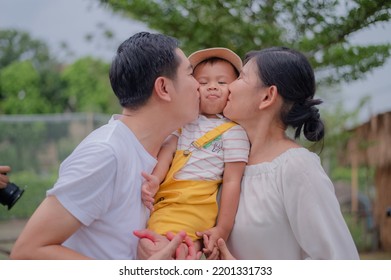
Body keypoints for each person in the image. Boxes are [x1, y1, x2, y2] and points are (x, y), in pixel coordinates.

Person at [10, 31, 200, 260]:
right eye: (190, 74)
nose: (198, 85)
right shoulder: (105, 154)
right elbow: (27, 253)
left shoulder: (164, 152)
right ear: (164, 88)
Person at [208, 47, 359, 259]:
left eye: (241, 77)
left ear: (267, 96)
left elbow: (340, 261)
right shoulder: (225, 160)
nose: (229, 86)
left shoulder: (297, 167)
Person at [138, 48, 250, 259]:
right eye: (203, 82)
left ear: (233, 89)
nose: (212, 87)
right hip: (168, 199)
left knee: (173, 244)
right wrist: (155, 179)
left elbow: (232, 181)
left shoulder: (234, 132)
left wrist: (223, 229)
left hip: (196, 203)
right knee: (154, 240)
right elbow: (168, 151)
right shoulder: (185, 121)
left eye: (222, 82)